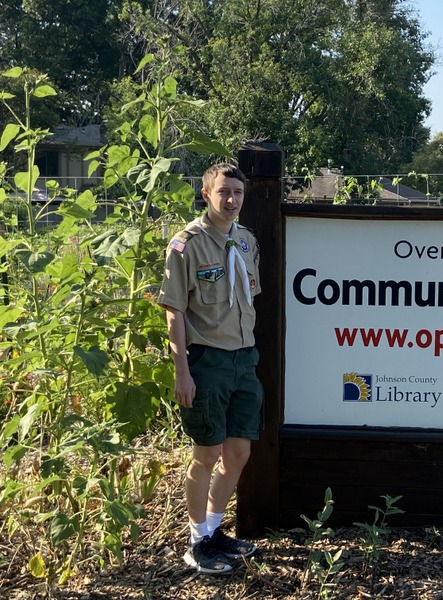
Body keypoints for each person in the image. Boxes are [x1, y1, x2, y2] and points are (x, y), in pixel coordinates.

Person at [158, 163, 263, 574]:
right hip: (207, 360)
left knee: (238, 454)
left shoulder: (247, 242)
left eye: (238, 192)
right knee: (205, 454)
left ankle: (215, 530)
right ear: (206, 194)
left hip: (244, 358)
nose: (231, 199)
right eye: (224, 192)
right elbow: (174, 312)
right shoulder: (186, 245)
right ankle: (196, 539)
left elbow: (250, 298)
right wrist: (182, 371)